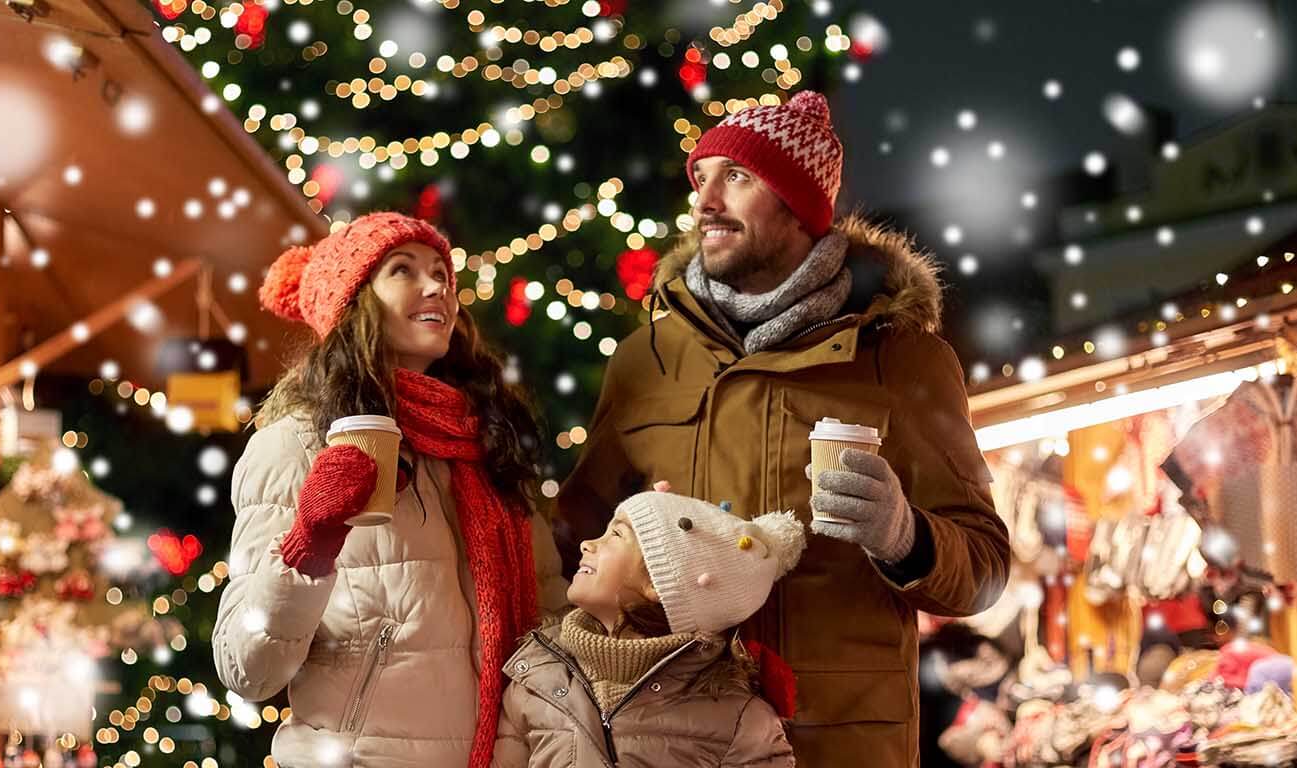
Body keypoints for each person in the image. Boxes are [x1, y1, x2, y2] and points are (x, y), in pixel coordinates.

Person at [558, 91, 1010, 766]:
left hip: (837, 746)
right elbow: (571, 545)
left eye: (736, 178)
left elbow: (986, 570)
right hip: (678, 744)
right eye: (701, 179)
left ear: (799, 206)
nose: (706, 201)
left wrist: (905, 537)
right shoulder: (643, 363)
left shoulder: (902, 359)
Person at [214, 212, 569, 768]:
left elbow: (549, 633)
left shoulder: (488, 441)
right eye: (402, 270)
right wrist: (311, 543)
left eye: (441, 275)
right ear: (355, 304)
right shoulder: (296, 444)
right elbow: (246, 668)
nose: (436, 289)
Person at [494, 491, 801, 767]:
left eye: (615, 534)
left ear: (658, 581)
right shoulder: (534, 677)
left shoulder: (740, 721)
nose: (587, 544)